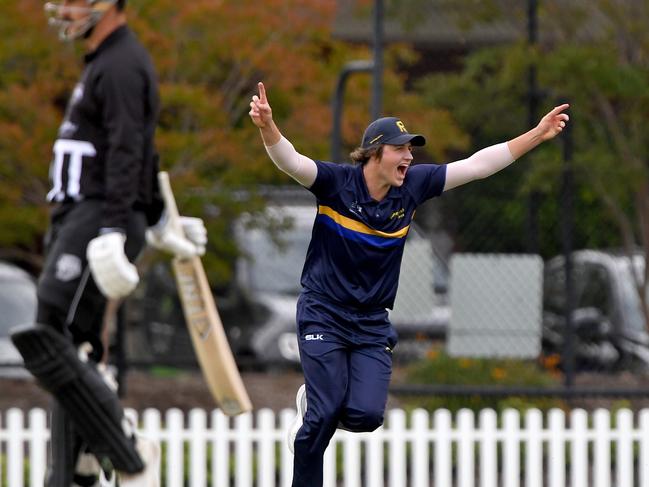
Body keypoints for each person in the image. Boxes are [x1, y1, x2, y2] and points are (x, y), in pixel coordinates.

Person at [249, 81, 569, 487]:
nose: (409, 156)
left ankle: (317, 401)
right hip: (323, 312)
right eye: (400, 149)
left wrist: (537, 134)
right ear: (374, 153)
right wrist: (267, 127)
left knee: (366, 417)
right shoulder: (335, 184)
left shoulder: (412, 188)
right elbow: (290, 162)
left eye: (410, 149)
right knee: (324, 414)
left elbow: (478, 164)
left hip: (370, 322)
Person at [11, 1, 207, 486]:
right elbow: (143, 146)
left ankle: (125, 446)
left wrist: (117, 227)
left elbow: (127, 149)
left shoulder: (122, 62)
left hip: (97, 214)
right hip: (81, 215)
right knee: (73, 348)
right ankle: (72, 470)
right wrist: (163, 217)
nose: (67, 8)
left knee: (48, 333)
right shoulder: (103, 63)